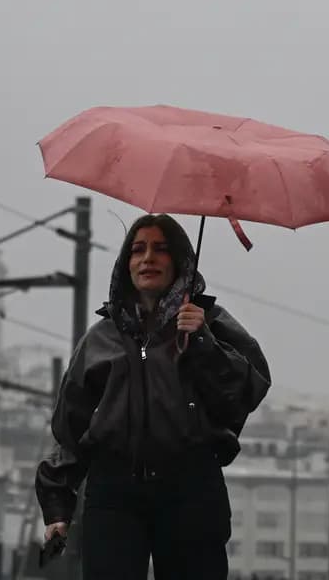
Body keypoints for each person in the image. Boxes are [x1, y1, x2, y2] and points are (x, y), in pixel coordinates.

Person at [35, 214, 271, 580]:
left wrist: (204, 343)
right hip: (114, 493)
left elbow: (247, 390)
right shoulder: (101, 337)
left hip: (191, 490)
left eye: (161, 249)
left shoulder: (209, 323)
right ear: (125, 263)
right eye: (138, 249)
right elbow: (70, 428)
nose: (148, 259)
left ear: (180, 262)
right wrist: (56, 507)